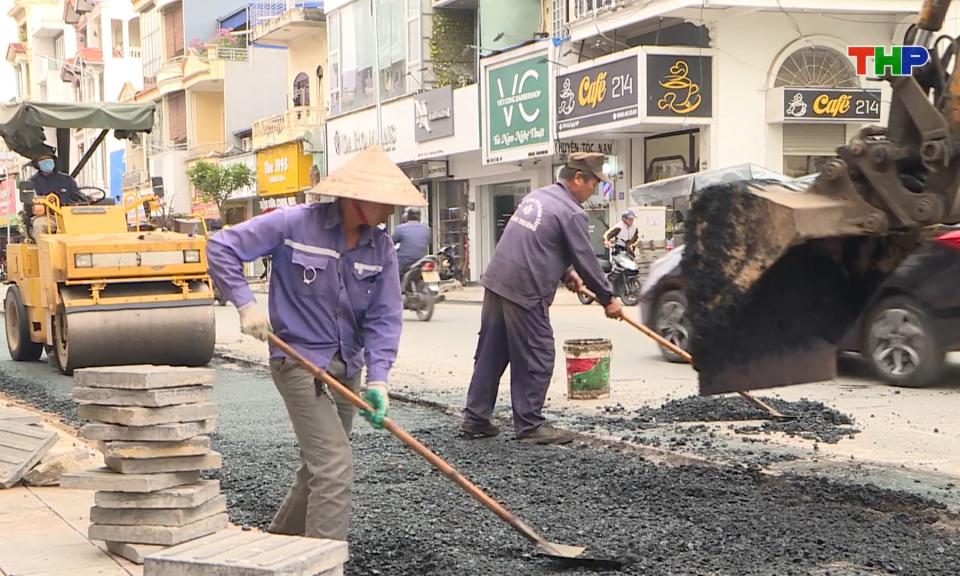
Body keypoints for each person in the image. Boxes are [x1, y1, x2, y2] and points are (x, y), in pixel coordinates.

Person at [206, 145, 426, 541]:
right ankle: (325, 562)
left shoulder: (380, 249)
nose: (390, 211)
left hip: (348, 366)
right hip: (298, 361)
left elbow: (384, 316)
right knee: (335, 465)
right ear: (356, 199)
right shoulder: (293, 224)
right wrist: (245, 305)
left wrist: (379, 380)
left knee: (318, 464)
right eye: (383, 203)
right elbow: (221, 246)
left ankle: (279, 547)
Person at [460, 153, 622, 445]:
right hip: (525, 287)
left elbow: (539, 243)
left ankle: (476, 418)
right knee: (538, 354)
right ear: (578, 178)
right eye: (594, 184)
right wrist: (608, 298)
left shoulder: (538, 197)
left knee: (492, 352)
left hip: (497, 280)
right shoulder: (571, 211)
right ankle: (529, 425)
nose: (593, 191)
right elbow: (587, 260)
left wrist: (565, 272)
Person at [29, 153, 83, 236]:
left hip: (68, 215)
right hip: (46, 216)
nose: (46, 162)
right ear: (37, 164)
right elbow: (30, 201)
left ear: (53, 160)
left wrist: (89, 199)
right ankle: (41, 244)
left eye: (48, 158)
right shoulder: (32, 182)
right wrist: (44, 199)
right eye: (42, 160)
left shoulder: (67, 179)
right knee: (39, 225)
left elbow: (78, 196)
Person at [392, 206, 431, 281]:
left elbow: (390, 244)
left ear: (406, 217)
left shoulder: (400, 228)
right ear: (419, 217)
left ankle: (398, 287)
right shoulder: (426, 229)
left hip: (404, 262)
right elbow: (427, 242)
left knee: (393, 273)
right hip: (421, 260)